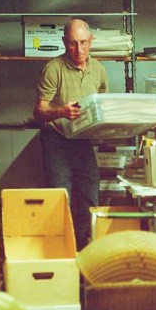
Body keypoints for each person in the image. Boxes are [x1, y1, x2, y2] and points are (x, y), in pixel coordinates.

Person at [33, 18, 109, 251]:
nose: (79, 50)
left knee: (89, 194)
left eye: (84, 43)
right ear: (64, 42)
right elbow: (38, 112)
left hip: (83, 140)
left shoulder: (98, 70)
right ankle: (62, 253)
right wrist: (61, 112)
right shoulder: (53, 68)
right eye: (73, 44)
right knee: (60, 197)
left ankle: (84, 251)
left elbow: (102, 105)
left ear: (91, 41)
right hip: (56, 140)